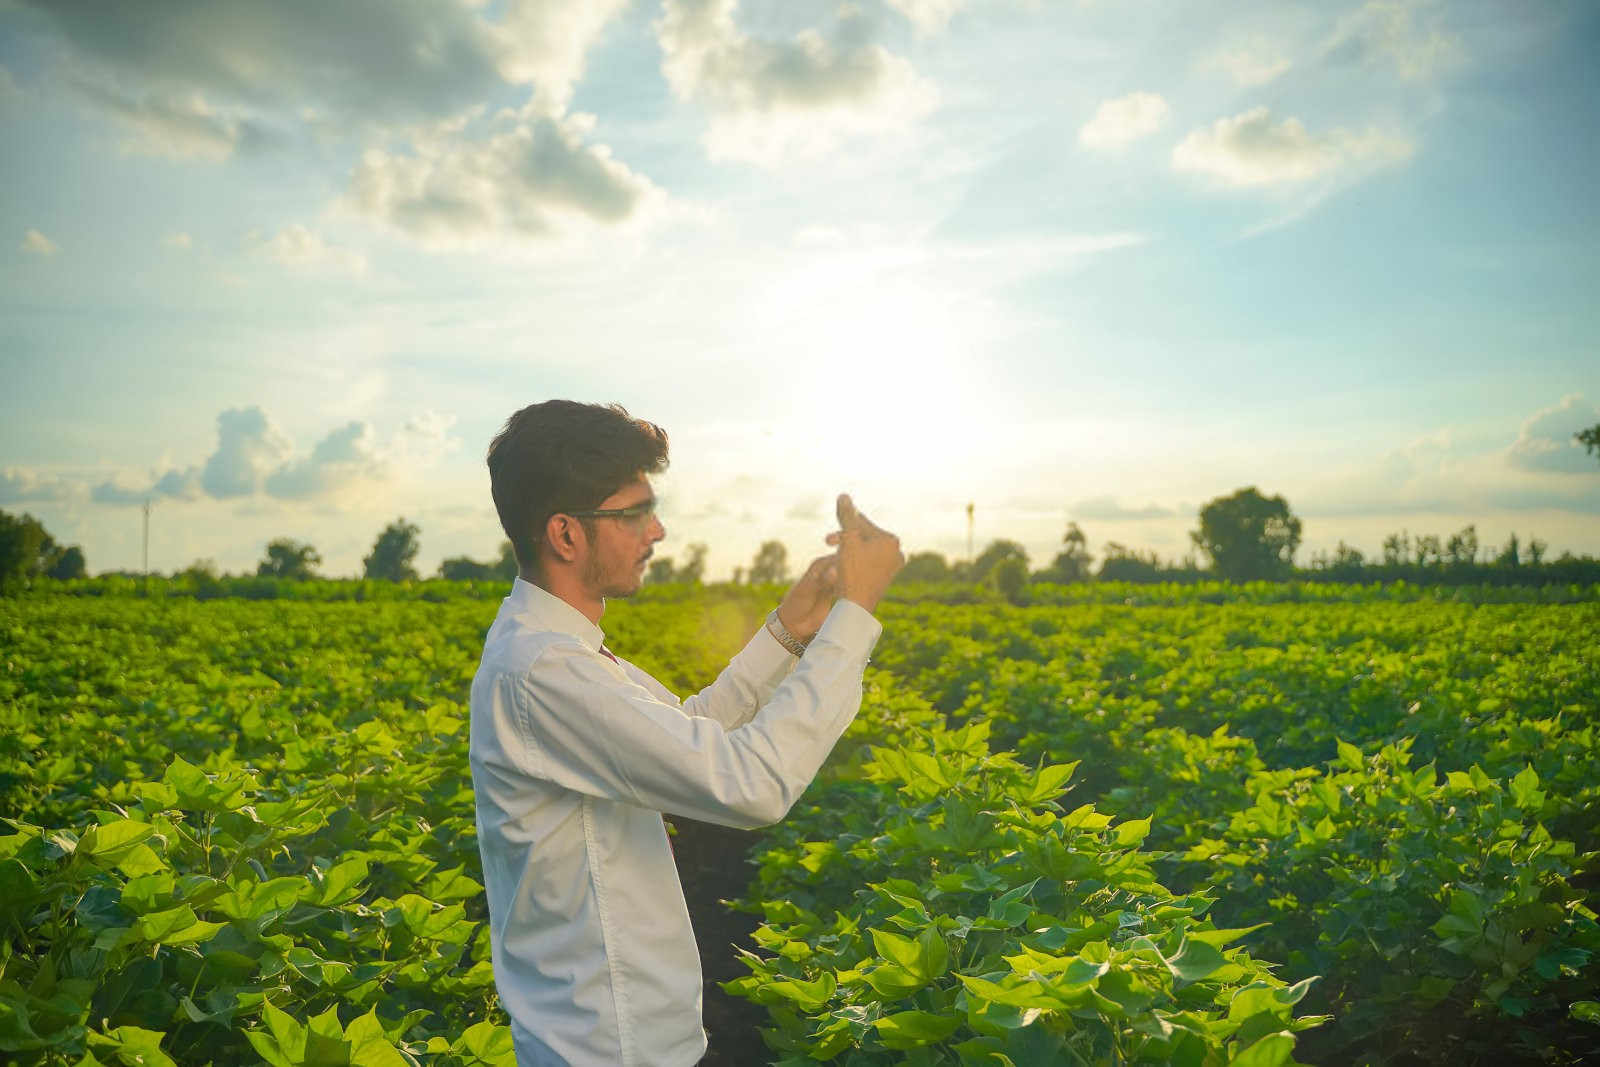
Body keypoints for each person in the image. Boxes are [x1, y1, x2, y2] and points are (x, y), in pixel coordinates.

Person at [469, 399, 904, 1066]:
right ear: (565, 533)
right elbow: (749, 784)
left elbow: (690, 728)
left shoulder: (560, 650)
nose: (658, 530)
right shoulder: (543, 670)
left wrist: (791, 628)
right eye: (634, 513)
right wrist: (855, 614)